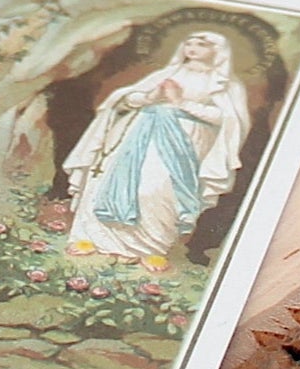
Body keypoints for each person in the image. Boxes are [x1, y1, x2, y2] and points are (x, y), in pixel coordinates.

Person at [64, 31, 250, 268]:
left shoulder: (225, 84)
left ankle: (149, 249)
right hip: (140, 133)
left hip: (185, 140)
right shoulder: (167, 73)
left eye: (201, 44)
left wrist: (180, 102)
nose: (192, 48)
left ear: (218, 50)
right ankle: (94, 239)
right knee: (111, 181)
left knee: (158, 191)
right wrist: (150, 96)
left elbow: (226, 119)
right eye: (189, 42)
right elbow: (127, 100)